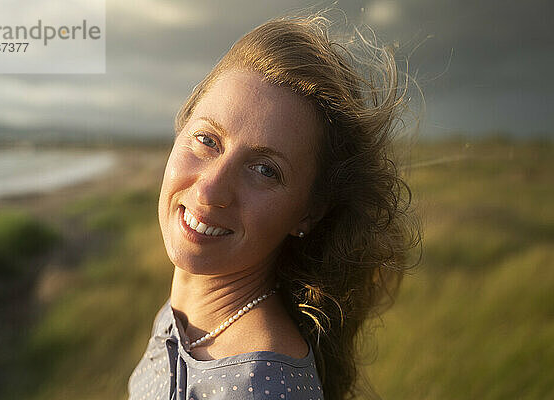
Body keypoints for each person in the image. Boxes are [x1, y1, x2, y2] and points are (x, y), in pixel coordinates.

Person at [128, 13, 419, 400]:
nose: (211, 189)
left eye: (265, 170)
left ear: (308, 212)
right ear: (181, 129)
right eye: (207, 139)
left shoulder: (262, 386)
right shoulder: (184, 319)